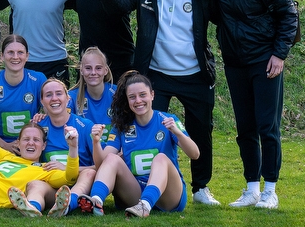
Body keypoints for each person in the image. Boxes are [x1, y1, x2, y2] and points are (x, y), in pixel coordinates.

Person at [91, 0, 219, 206]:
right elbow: (121, 5)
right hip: (156, 73)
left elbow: (221, 15)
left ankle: (200, 188)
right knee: (143, 128)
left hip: (195, 73)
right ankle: (144, 185)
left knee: (200, 130)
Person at [205, 0, 298, 209]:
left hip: (264, 61)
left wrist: (279, 55)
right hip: (235, 63)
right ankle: (251, 189)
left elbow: (289, 14)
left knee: (266, 126)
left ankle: (271, 190)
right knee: (245, 128)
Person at [86, 71, 200, 218]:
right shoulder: (122, 125)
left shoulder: (167, 120)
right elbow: (103, 163)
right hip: (135, 194)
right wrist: (96, 142)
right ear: (127, 100)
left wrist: (177, 133)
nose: (138, 100)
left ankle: (145, 205)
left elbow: (195, 154)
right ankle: (95, 201)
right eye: (132, 97)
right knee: (112, 159)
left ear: (152, 95)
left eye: (142, 95)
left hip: (169, 196)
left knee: (161, 158)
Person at [0, 35, 45, 154]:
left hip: (30, 146)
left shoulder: (38, 79)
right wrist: (3, 145)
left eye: (20, 52)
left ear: (27, 56)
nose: (15, 57)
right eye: (10, 52)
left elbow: (52, 114)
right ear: (2, 56)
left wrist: (42, 116)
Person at [35, 78, 97, 216]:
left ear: (68, 98)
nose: (54, 98)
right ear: (42, 101)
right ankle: (32, 207)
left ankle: (69, 204)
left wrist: (67, 168)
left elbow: (101, 166)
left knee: (89, 173)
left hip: (81, 186)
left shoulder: (85, 126)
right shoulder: (37, 126)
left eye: (59, 93)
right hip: (54, 187)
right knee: (35, 184)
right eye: (48, 95)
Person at [69, 47, 116, 133]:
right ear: (81, 70)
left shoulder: (117, 93)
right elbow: (60, 121)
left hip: (113, 146)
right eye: (88, 68)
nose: (93, 72)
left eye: (98, 68)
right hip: (83, 146)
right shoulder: (71, 96)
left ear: (105, 70)